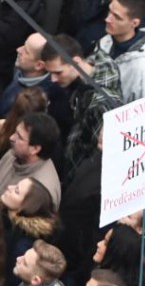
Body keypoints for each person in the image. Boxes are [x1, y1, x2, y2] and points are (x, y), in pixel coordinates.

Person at [40, 35, 121, 182]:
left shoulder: (100, 107)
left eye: (58, 72)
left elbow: (97, 157)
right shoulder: (96, 65)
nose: (53, 79)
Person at [95, 0, 145, 103]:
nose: (108, 19)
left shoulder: (144, 70)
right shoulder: (105, 42)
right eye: (109, 11)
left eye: (117, 17)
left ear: (134, 23)